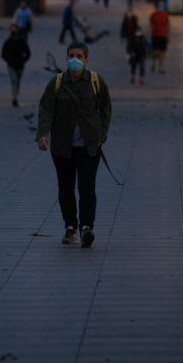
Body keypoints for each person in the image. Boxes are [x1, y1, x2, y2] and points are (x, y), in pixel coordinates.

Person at [37, 41, 112, 248]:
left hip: (89, 146)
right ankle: (70, 227)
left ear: (86, 59)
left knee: (87, 187)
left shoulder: (96, 82)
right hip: (62, 147)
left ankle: (87, 227)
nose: (75, 60)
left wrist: (101, 135)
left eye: (79, 56)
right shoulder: (57, 83)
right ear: (66, 58)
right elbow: (46, 110)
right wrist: (42, 135)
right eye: (71, 55)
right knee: (66, 188)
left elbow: (106, 109)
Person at [1, 23, 32, 107]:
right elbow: (3, 54)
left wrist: (24, 60)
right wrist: (9, 61)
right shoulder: (7, 42)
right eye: (12, 30)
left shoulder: (22, 41)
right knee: (14, 82)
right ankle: (14, 99)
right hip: (11, 66)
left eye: (15, 30)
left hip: (20, 66)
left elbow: (28, 53)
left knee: (17, 83)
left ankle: (15, 95)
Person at [149, 2, 169, 74]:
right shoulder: (154, 15)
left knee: (162, 52)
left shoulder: (164, 15)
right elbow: (150, 25)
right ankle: (155, 63)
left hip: (161, 35)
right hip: (157, 35)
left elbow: (167, 26)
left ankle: (160, 66)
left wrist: (168, 35)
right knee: (158, 51)